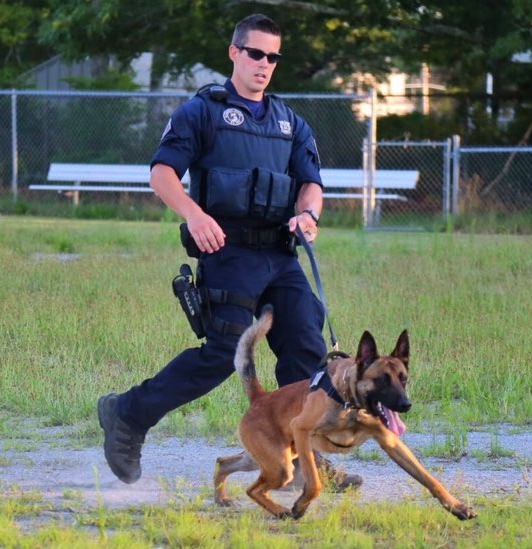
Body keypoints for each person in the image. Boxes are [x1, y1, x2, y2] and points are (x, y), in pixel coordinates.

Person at [97, 13, 360, 489]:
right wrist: (194, 216)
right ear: (235, 53)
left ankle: (305, 462)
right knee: (225, 353)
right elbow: (161, 174)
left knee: (306, 349)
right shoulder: (202, 112)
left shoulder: (289, 122)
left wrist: (309, 216)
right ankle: (127, 414)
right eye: (255, 53)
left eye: (272, 56)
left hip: (281, 256)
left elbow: (311, 185)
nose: (264, 64)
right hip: (228, 252)